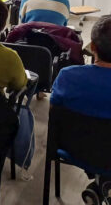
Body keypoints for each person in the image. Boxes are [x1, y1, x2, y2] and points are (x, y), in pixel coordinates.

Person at [50, 15, 111, 204]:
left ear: (92, 47)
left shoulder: (67, 76)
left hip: (73, 149)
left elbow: (54, 112)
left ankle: (101, 182)